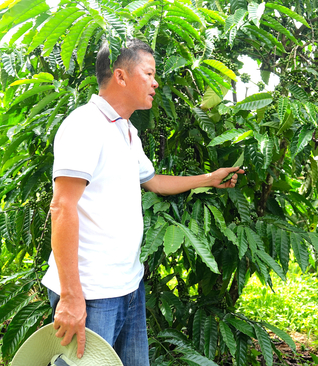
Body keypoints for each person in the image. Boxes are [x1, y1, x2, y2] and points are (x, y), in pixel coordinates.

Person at [41, 39, 244, 366]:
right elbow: (62, 207)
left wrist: (209, 179)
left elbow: (153, 182)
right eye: (149, 73)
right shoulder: (84, 126)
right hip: (92, 293)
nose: (156, 82)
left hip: (128, 285)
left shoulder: (125, 130)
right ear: (121, 76)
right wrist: (70, 296)